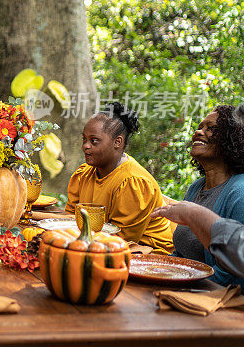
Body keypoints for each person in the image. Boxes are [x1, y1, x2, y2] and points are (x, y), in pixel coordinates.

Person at [66, 102, 174, 254]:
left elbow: (121, 239)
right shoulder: (84, 173)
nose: (85, 146)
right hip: (96, 243)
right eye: (84, 140)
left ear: (117, 142)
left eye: (94, 140)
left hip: (145, 254)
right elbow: (69, 219)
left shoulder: (133, 182)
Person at [163, 103, 244, 289]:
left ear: (232, 139)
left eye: (211, 128)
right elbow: (181, 253)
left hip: (218, 302)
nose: (198, 132)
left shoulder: (241, 191)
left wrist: (185, 284)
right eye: (200, 127)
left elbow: (235, 275)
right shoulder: (196, 187)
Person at [152, 201, 244, 283]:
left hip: (210, 293)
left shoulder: (241, 193)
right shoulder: (196, 188)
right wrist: (160, 271)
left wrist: (192, 214)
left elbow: (231, 272)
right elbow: (179, 251)